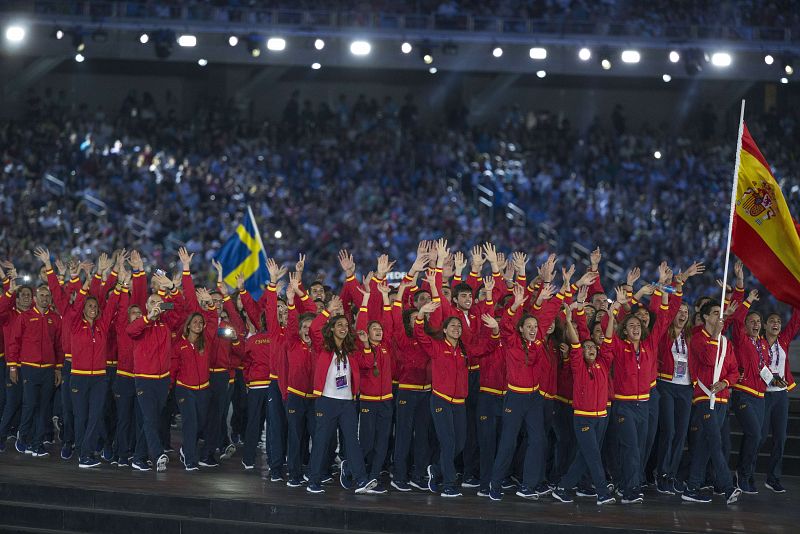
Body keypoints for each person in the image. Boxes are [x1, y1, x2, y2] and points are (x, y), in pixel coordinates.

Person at [602, 262, 679, 504]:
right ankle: (629, 489)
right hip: (624, 405)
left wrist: (662, 285)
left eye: (639, 325)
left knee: (641, 446)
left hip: (644, 404)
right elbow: (606, 331)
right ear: (625, 331)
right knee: (630, 448)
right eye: (632, 325)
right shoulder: (619, 346)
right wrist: (614, 310)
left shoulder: (650, 344)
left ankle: (629, 485)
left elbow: (662, 316)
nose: (636, 327)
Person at [488, 258, 563, 501]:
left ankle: (528, 486)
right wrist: (516, 304)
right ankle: (495, 484)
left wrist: (555, 285)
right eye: (528, 326)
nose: (532, 329)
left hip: (534, 398)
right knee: (508, 442)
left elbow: (549, 311)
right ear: (521, 329)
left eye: (534, 326)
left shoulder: (539, 339)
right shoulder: (511, 340)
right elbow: (508, 323)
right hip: (515, 397)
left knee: (538, 439)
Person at [305, 295, 377, 495]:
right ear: (332, 328)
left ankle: (361, 480)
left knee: (352, 441)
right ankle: (313, 481)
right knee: (322, 441)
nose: (344, 327)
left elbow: (368, 364)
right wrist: (328, 310)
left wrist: (367, 345)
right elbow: (313, 329)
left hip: (347, 403)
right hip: (326, 401)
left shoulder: (351, 351)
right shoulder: (323, 347)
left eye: (346, 324)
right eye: (339, 325)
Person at [552, 298, 615, 505]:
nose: (590, 349)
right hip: (584, 419)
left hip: (601, 418)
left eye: (592, 348)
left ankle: (562, 488)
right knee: (594, 456)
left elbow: (607, 338)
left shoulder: (603, 364)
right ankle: (603, 492)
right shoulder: (578, 365)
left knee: (585, 456)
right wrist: (570, 321)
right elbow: (575, 343)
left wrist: (612, 316)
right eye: (586, 347)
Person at [681, 301, 742, 505]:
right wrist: (715, 335)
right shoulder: (698, 339)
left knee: (707, 445)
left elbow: (734, 371)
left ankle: (691, 487)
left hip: (722, 398)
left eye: (720, 313)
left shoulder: (726, 343)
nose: (719, 317)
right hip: (705, 398)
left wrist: (725, 382)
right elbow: (708, 359)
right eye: (715, 313)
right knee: (716, 442)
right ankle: (727, 487)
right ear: (705, 317)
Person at [125, 267, 182, 472]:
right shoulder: (142, 323)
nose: (156, 305)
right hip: (144, 380)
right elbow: (131, 330)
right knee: (150, 419)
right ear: (146, 307)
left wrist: (172, 288)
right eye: (152, 303)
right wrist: (149, 316)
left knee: (152, 420)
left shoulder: (166, 323)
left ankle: (139, 457)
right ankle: (157, 454)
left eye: (159, 303)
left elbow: (180, 310)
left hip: (162, 380)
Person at [6, 283, 63, 457]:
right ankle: (22, 438)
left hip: (48, 370)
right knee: (29, 404)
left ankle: (37, 444)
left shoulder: (55, 319)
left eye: (47, 296)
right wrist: (13, 367)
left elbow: (59, 346)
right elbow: (14, 342)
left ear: (50, 298)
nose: (45, 298)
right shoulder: (24, 317)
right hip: (29, 369)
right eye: (42, 296)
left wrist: (58, 369)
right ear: (35, 298)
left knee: (44, 408)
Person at [759, 307, 800, 493]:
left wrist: (796, 301)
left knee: (780, 438)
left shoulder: (783, 340)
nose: (776, 323)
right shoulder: (757, 343)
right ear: (765, 325)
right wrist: (771, 379)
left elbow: (795, 323)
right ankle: (745, 474)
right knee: (758, 437)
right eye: (772, 321)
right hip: (762, 394)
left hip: (781, 395)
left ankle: (773, 478)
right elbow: (757, 364)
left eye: (778, 321)